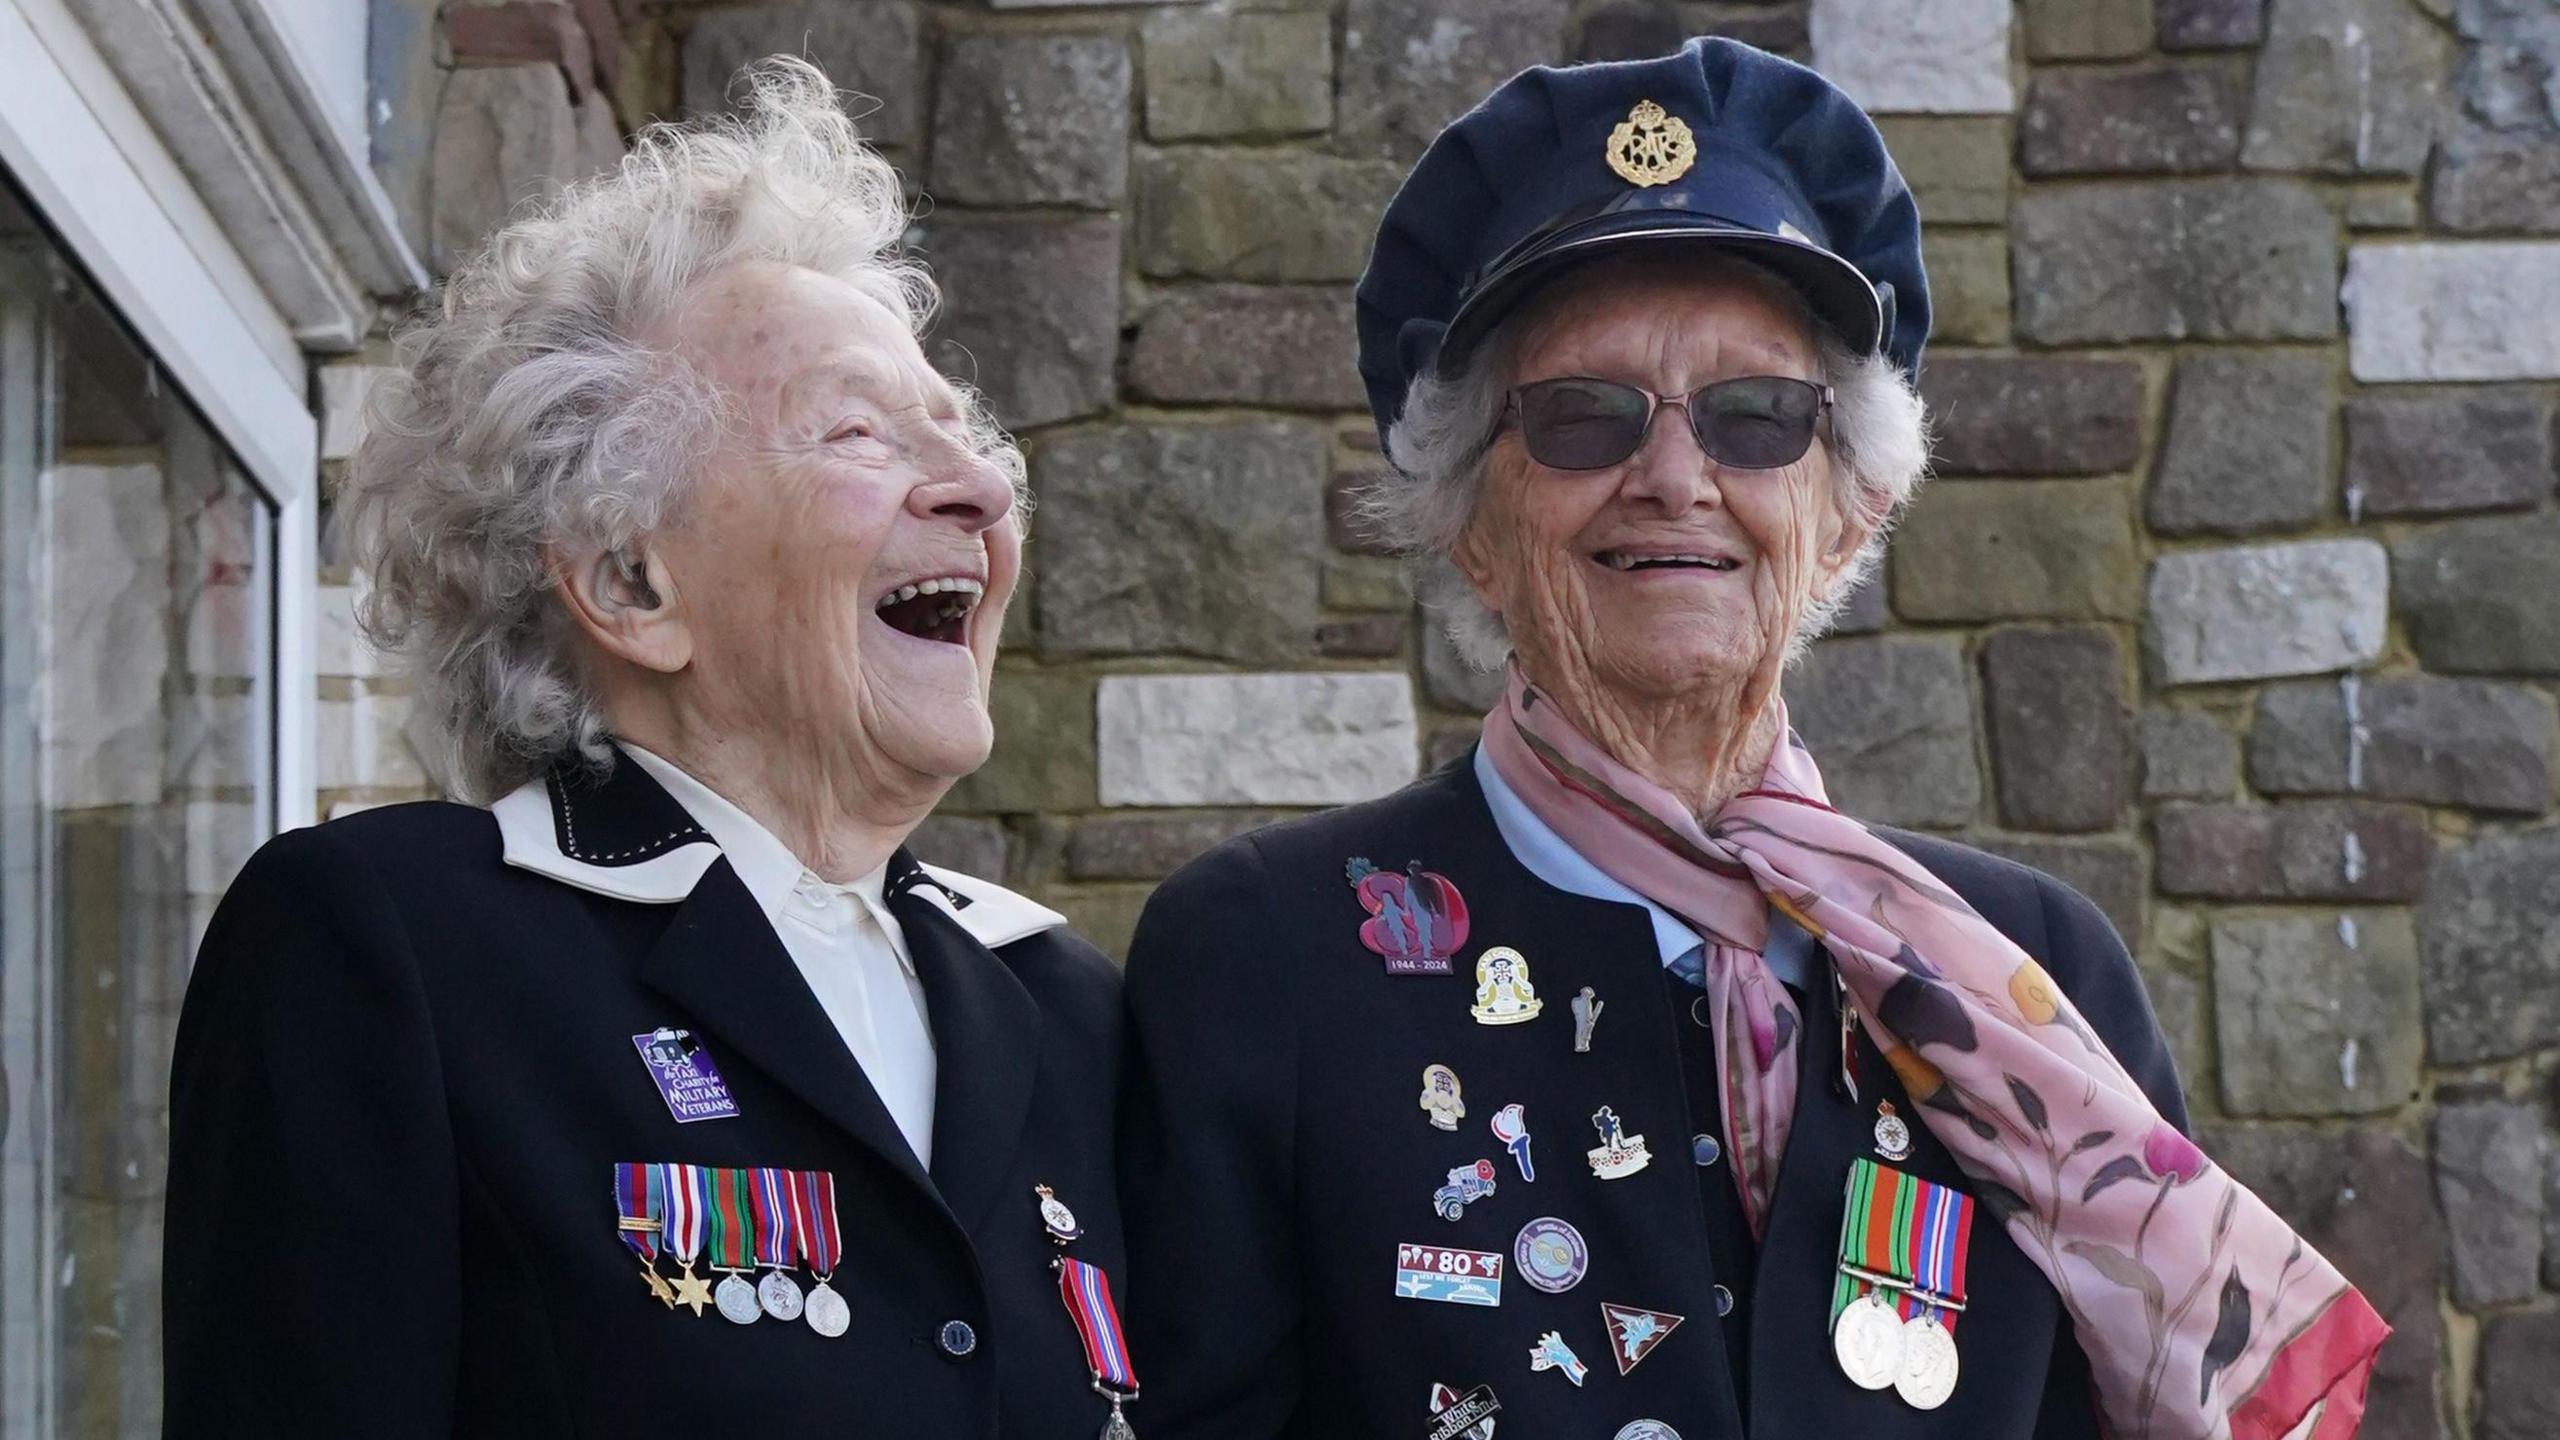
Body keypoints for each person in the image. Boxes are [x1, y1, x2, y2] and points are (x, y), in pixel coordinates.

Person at [1119, 38, 2385, 1440]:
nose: (1675, 476)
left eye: (1759, 418)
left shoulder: (2044, 969)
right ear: (1471, 525)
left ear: (1850, 511)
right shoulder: (1268, 957)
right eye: (1581, 417)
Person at [164, 61, 1136, 1437]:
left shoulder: (1065, 1008)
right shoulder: (395, 948)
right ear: (629, 585)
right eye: (858, 431)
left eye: (964, 432)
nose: (981, 486)